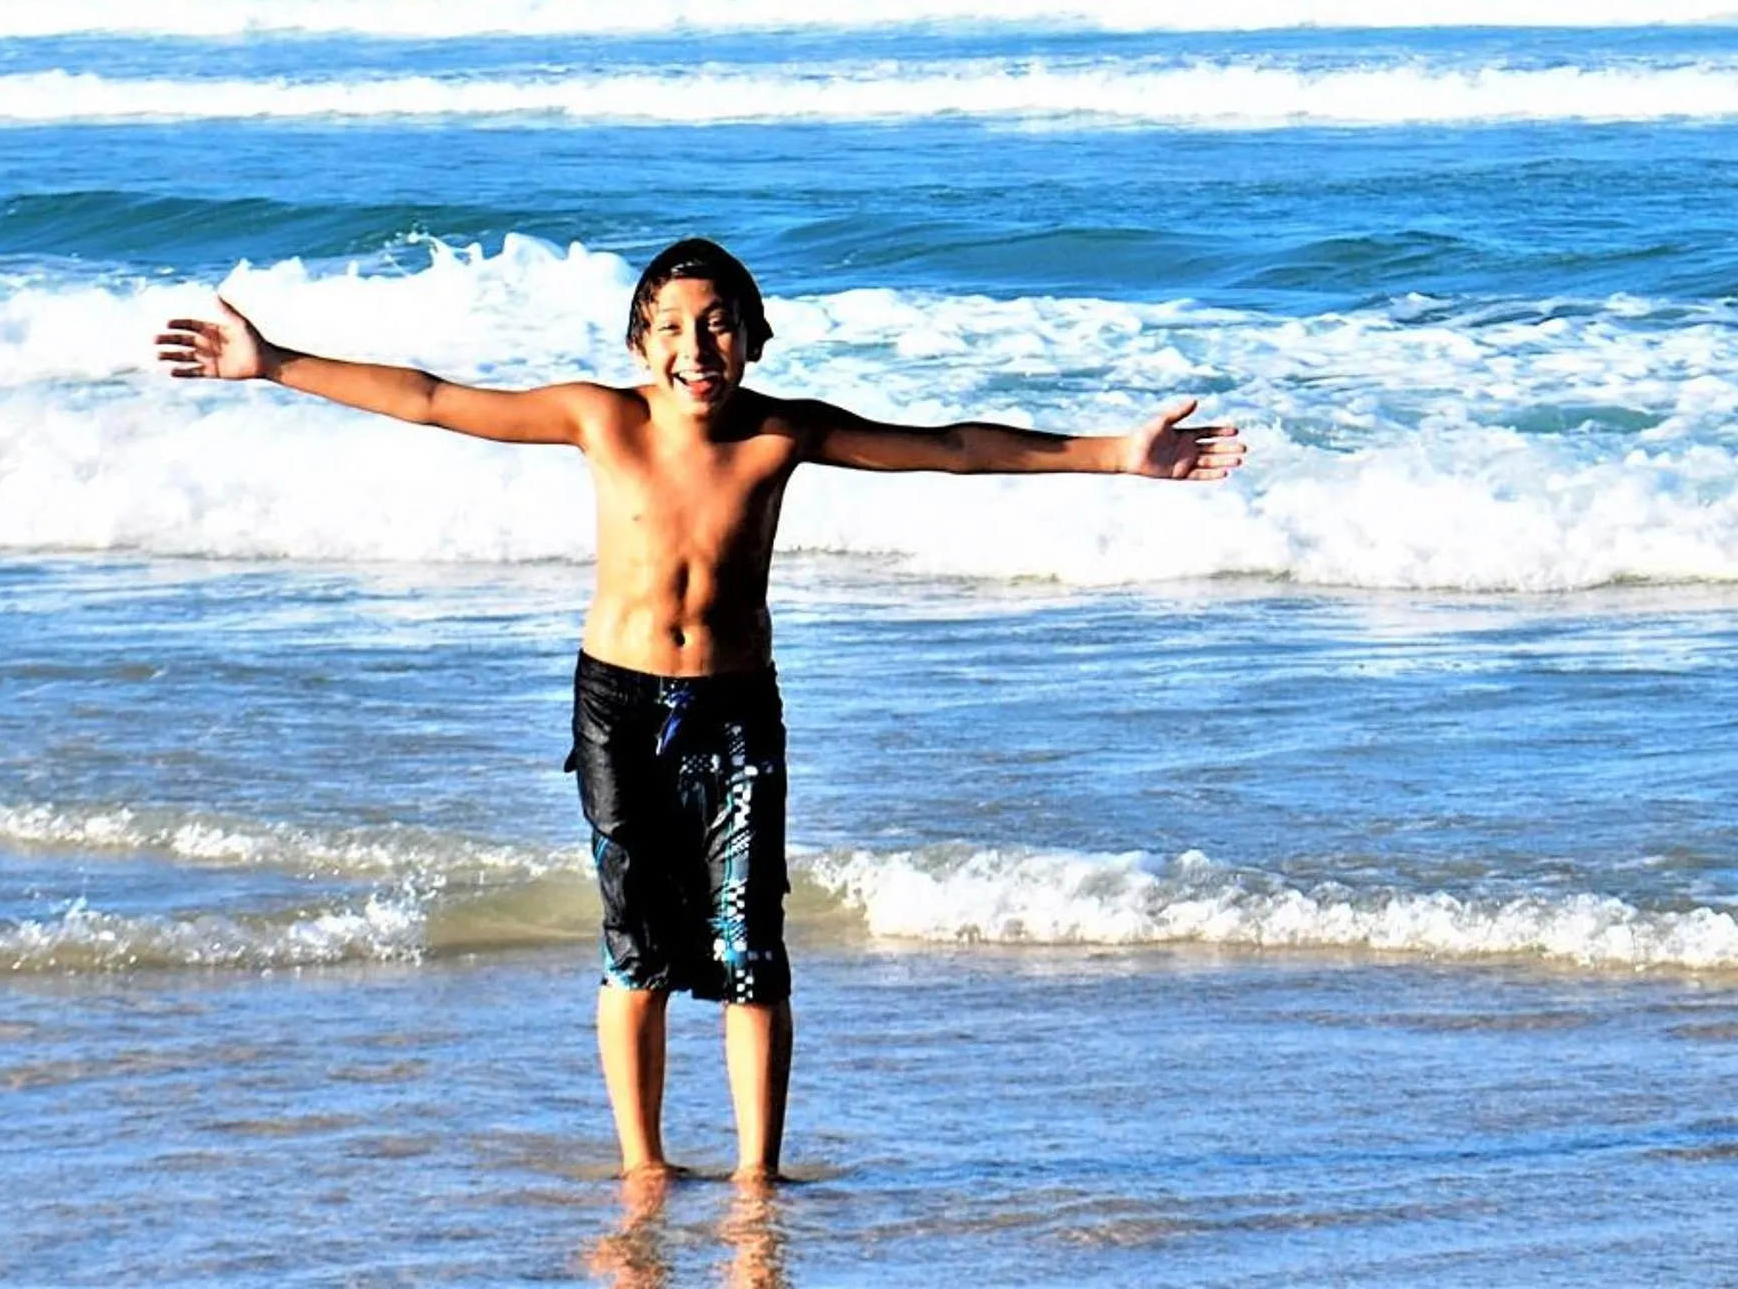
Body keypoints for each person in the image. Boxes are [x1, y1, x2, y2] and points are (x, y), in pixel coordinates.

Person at [156, 238, 1244, 1184]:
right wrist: (275, 364)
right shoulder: (601, 420)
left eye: (720, 325)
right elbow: (438, 398)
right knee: (637, 947)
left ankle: (756, 1170)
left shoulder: (782, 433)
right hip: (617, 705)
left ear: (756, 338)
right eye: (671, 327)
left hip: (735, 713)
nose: (696, 347)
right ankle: (642, 1163)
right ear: (638, 345)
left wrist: (1117, 457)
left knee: (749, 948)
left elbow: (950, 447)